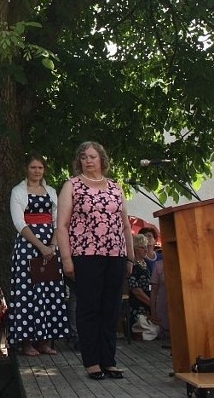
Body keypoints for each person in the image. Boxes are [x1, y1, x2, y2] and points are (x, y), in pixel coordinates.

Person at [57, 141, 134, 381]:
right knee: (89, 308)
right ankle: (92, 362)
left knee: (110, 309)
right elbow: (61, 225)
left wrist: (130, 256)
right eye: (83, 157)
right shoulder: (72, 185)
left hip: (115, 255)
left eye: (92, 156)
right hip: (85, 254)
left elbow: (125, 225)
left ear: (102, 159)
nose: (88, 160)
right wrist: (67, 259)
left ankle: (108, 361)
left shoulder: (115, 187)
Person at [8, 154, 68, 356]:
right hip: (28, 244)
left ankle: (44, 341)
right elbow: (19, 222)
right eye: (33, 167)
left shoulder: (51, 191)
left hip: (50, 246)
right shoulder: (18, 191)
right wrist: (40, 246)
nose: (37, 171)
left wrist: (52, 245)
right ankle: (27, 343)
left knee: (48, 291)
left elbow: (58, 221)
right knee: (27, 293)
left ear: (44, 170)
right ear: (26, 169)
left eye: (40, 167)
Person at [128, 234, 152, 327]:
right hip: (138, 304)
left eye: (146, 247)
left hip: (150, 301)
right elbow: (136, 291)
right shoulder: (131, 265)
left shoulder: (147, 263)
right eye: (142, 247)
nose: (146, 250)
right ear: (135, 248)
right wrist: (152, 305)